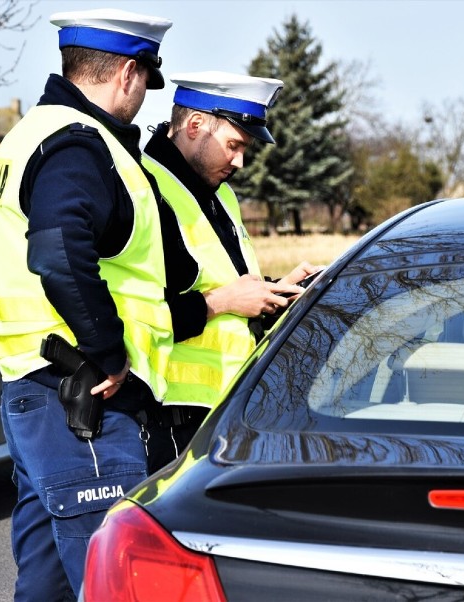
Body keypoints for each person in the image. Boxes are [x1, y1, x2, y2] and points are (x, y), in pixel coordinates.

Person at [0, 9, 173, 600]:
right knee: (114, 577)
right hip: (79, 392)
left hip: (36, 391)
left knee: (50, 579)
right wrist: (110, 353)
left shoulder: (28, 133)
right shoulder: (79, 144)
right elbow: (59, 252)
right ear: (129, 73)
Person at [141, 71, 321, 469]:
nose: (241, 161)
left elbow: (226, 284)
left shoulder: (219, 191)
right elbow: (136, 312)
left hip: (223, 411)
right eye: (233, 145)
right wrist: (222, 302)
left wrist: (276, 290)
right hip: (168, 417)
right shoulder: (142, 188)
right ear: (194, 126)